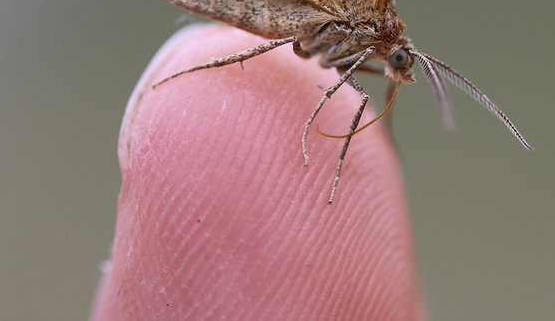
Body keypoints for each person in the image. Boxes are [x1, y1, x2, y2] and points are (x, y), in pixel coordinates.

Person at [91, 25, 425, 320]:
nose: (398, 70)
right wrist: (315, 125)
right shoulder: (369, 34)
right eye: (398, 62)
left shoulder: (368, 47)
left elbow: (332, 66)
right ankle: (208, 66)